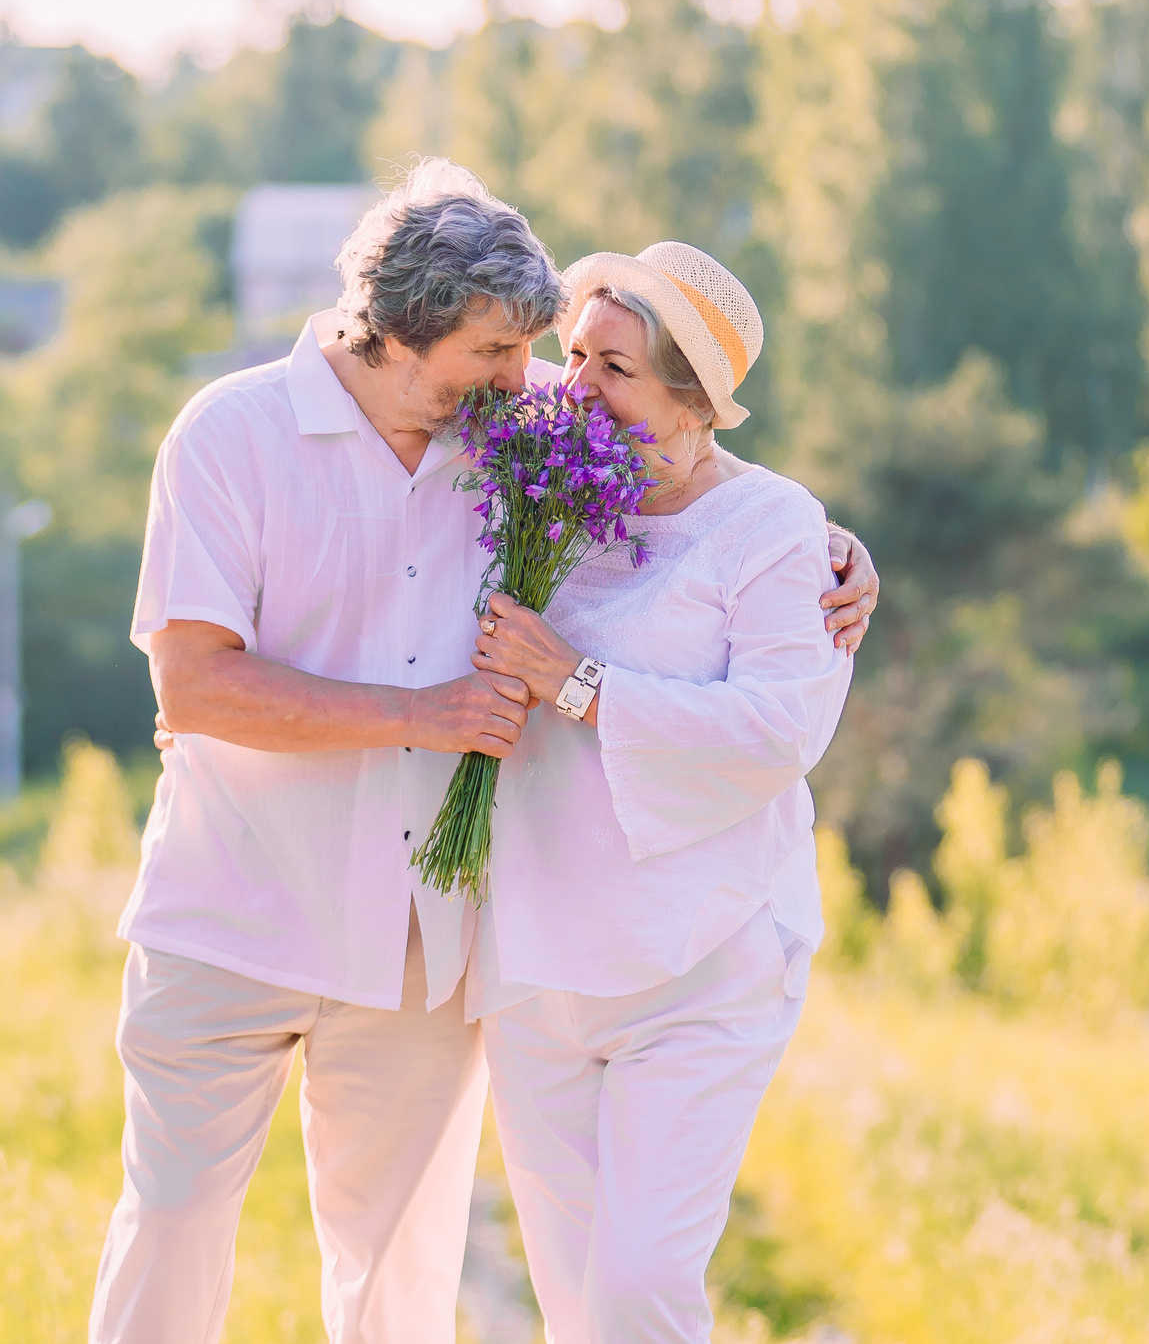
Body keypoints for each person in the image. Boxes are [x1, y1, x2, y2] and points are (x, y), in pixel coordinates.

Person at [91, 162, 878, 1344]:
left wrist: (828, 550)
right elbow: (193, 685)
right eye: (501, 350)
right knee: (173, 1222)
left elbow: (693, 466)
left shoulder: (508, 425)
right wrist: (431, 712)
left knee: (397, 1279)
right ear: (402, 330)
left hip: (419, 939)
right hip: (233, 906)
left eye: (533, 350)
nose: (532, 379)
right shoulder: (231, 434)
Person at [466, 240, 851, 1344]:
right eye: (575, 354)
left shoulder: (772, 526)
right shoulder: (553, 465)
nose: (574, 382)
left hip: (700, 963)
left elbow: (778, 729)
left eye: (613, 366)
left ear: (695, 405)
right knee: (572, 1302)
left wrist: (575, 682)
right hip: (538, 960)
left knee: (638, 1290)